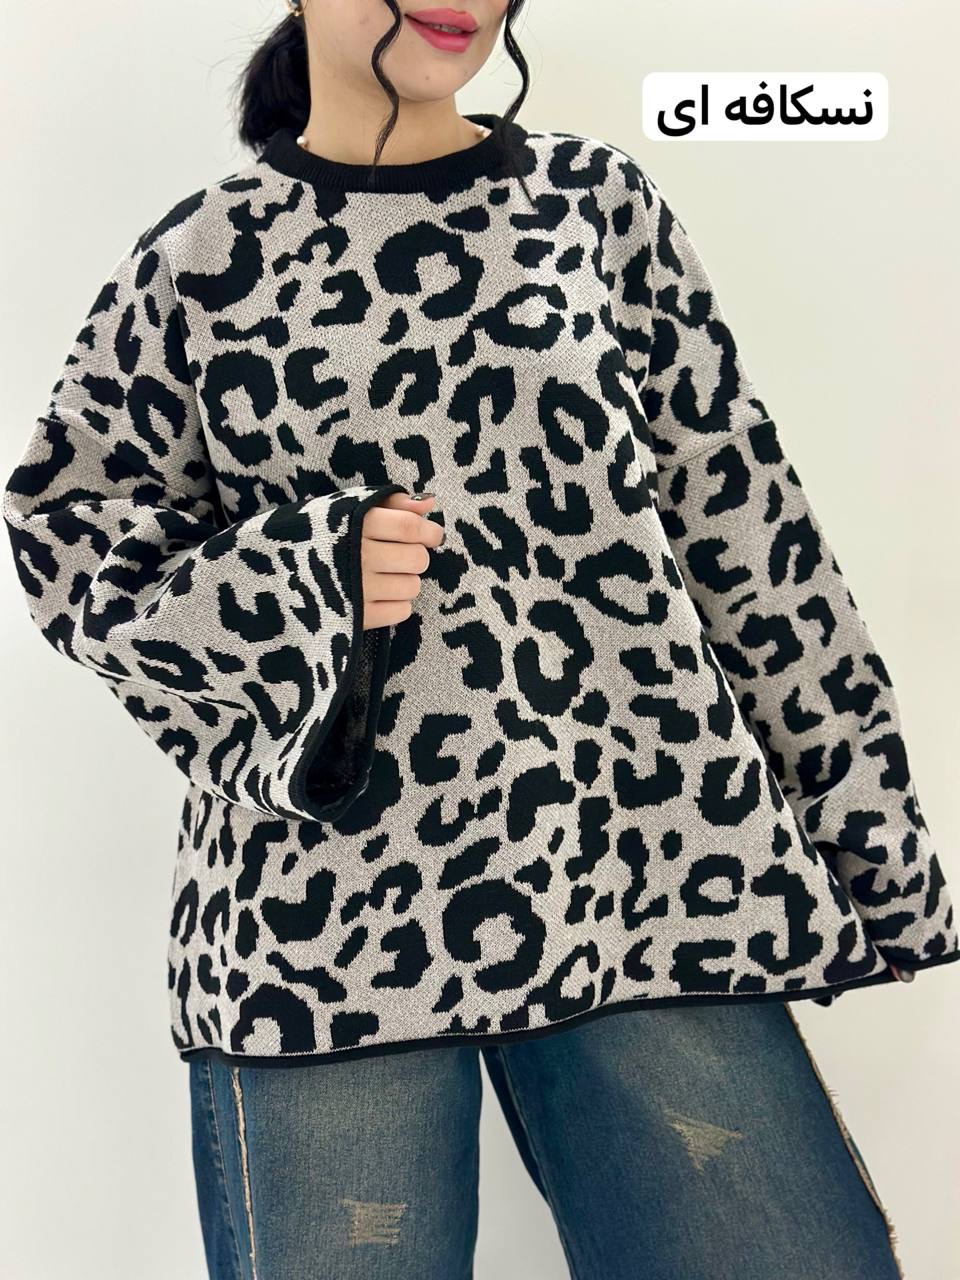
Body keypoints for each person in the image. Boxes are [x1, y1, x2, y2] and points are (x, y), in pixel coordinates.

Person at [3, 1, 957, 1276]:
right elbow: (68, 536)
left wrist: (871, 840)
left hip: (645, 877)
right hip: (318, 941)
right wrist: (309, 572)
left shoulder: (594, 208)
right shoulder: (200, 260)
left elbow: (750, 531)